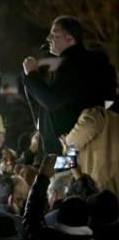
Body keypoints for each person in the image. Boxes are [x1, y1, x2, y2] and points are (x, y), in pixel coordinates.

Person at [22, 15, 117, 154]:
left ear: (70, 38)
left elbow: (51, 100)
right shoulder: (93, 62)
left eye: (55, 35)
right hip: (96, 145)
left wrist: (31, 74)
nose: (49, 39)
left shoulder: (74, 64)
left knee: (67, 175)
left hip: (72, 151)